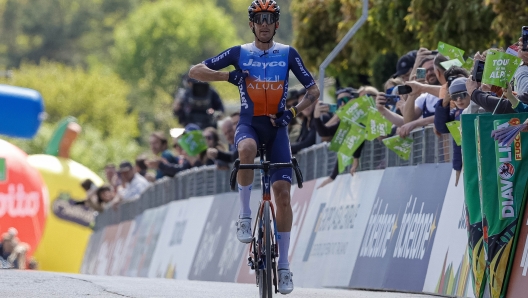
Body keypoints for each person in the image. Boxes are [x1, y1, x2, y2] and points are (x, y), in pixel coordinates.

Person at [188, 0, 319, 293]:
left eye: (269, 18)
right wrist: (228, 75)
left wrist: (293, 112)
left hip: (278, 130)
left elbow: (314, 90)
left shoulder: (287, 53)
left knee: (283, 196)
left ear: (276, 24)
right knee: (245, 150)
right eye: (258, 19)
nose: (263, 23)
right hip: (248, 124)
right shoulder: (239, 53)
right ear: (251, 24)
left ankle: (283, 266)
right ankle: (245, 216)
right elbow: (196, 71)